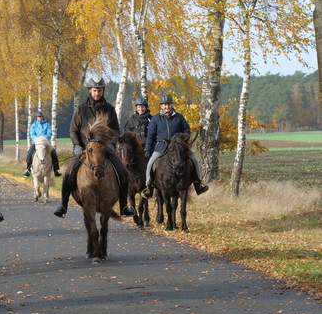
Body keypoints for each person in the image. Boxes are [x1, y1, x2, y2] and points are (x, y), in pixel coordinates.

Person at [53, 77, 136, 218]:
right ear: (90, 90)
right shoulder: (81, 109)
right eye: (95, 90)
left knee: (123, 172)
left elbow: (115, 130)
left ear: (103, 90)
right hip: (85, 150)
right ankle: (63, 205)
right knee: (68, 172)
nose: (97, 93)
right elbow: (73, 130)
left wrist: (111, 144)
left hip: (105, 150)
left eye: (100, 90)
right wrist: (77, 146)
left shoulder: (109, 109)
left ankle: (124, 206)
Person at [141, 94, 208, 199]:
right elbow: (151, 136)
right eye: (164, 105)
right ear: (161, 106)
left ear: (171, 104)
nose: (167, 107)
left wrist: (182, 140)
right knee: (150, 164)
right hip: (161, 146)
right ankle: (149, 186)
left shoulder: (179, 117)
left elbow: (186, 130)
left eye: (168, 104)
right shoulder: (155, 119)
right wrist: (148, 149)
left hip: (178, 147)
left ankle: (198, 184)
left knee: (194, 160)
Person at [23, 110, 62, 178]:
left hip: (45, 142)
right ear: (36, 118)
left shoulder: (47, 124)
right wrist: (38, 140)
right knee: (29, 153)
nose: (40, 117)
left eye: (41, 116)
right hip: (36, 143)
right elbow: (32, 134)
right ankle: (28, 170)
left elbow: (49, 134)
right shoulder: (33, 125)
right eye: (38, 116)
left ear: (43, 117)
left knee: (53, 153)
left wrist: (43, 139)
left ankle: (56, 170)